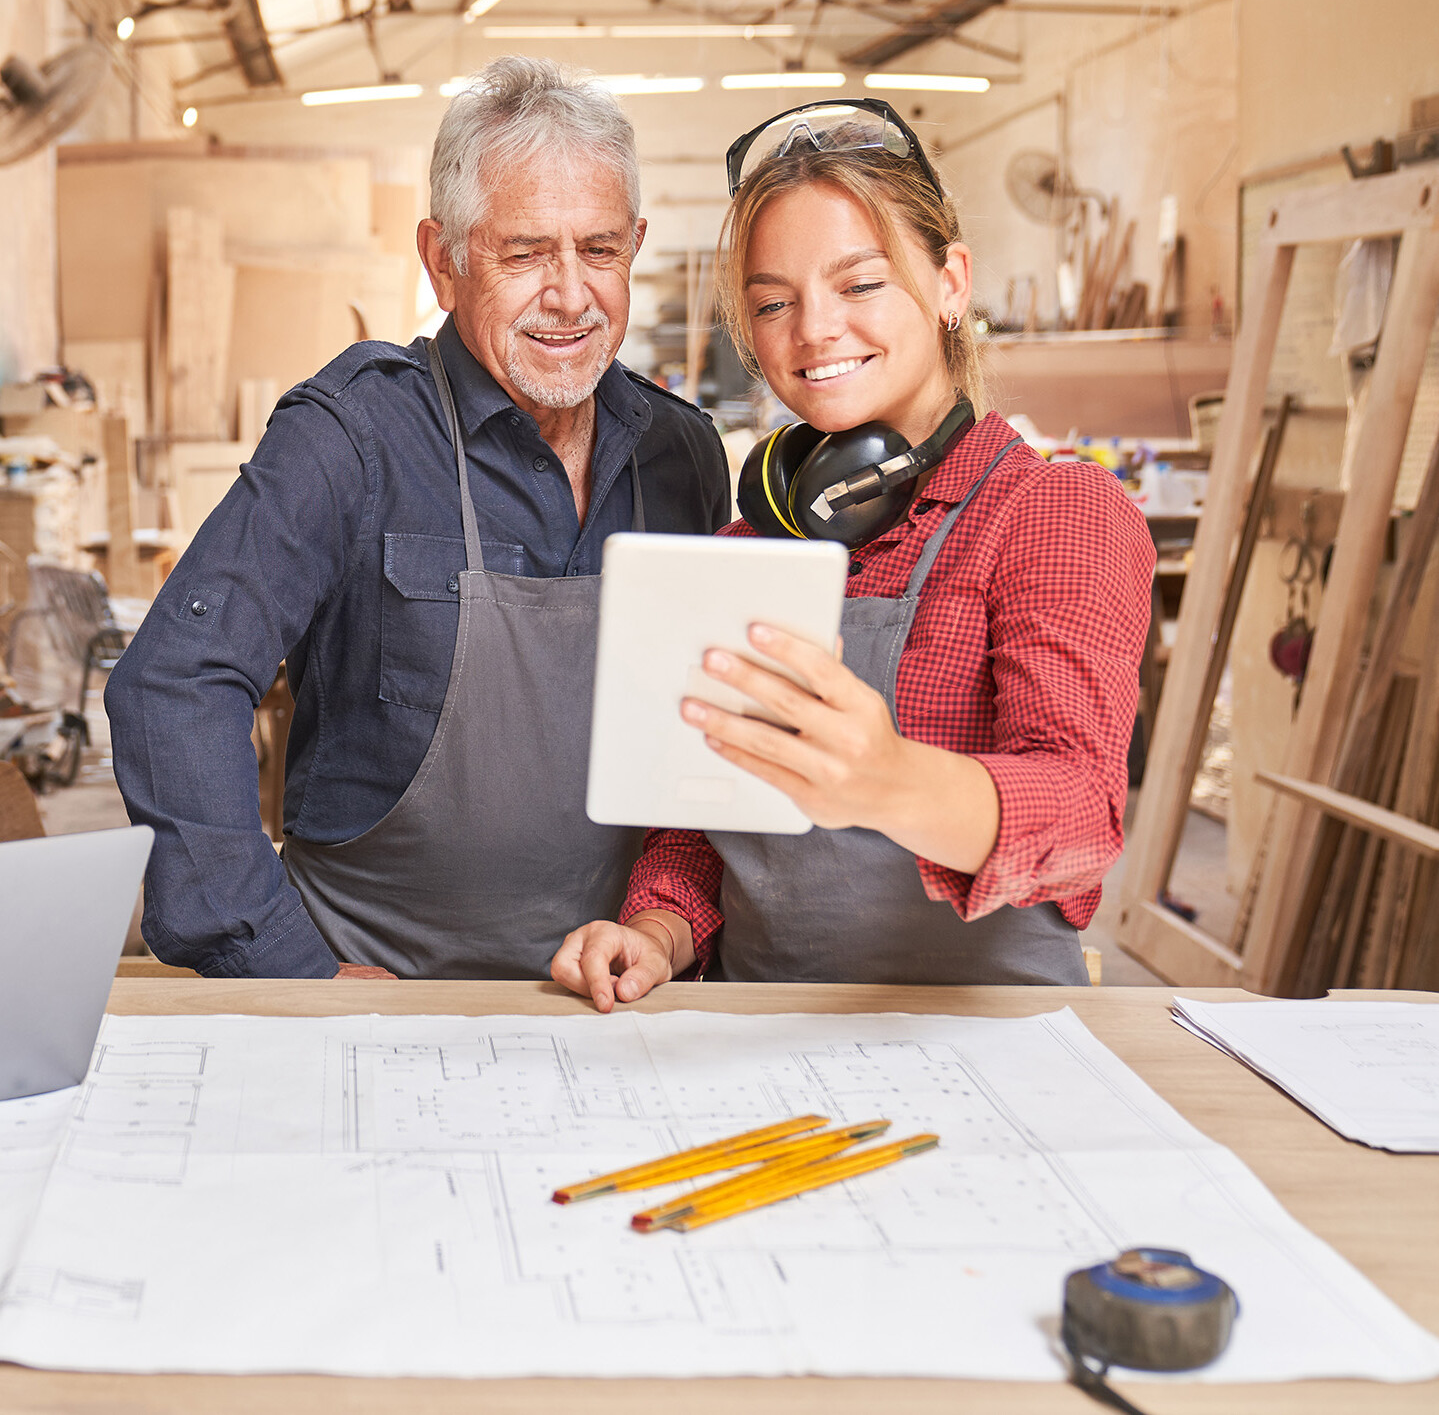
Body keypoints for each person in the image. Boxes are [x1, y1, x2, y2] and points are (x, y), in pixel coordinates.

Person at [107, 57, 732, 980]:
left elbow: (700, 756)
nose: (569, 295)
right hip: (374, 997)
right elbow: (174, 686)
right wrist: (285, 966)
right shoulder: (350, 438)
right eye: (524, 253)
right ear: (444, 261)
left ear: (634, 244)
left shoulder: (679, 455)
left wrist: (667, 931)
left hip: (611, 994)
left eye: (598, 250)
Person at [551, 99, 1153, 1005]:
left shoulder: (1051, 513)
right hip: (759, 1032)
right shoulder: (750, 543)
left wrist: (886, 780)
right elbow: (702, 827)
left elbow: (1080, 817)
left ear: (951, 281)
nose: (814, 329)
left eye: (859, 284)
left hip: (988, 1040)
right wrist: (655, 933)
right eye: (772, 302)